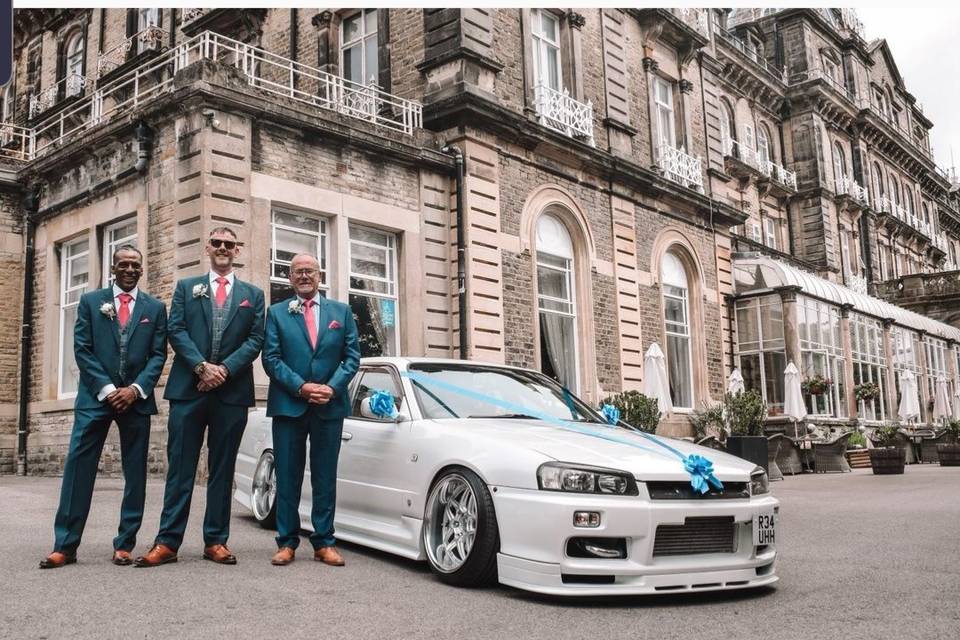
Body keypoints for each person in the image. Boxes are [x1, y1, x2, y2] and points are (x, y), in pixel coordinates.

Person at [136, 227, 264, 567]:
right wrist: (201, 367)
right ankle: (167, 542)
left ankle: (216, 541)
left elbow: (255, 339)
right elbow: (175, 329)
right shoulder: (186, 287)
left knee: (223, 469)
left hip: (232, 392)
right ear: (208, 247)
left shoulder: (253, 294)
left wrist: (224, 370)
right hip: (188, 391)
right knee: (180, 467)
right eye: (217, 243)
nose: (223, 248)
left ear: (238, 250)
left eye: (229, 244)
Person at [40, 246, 168, 568]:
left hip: (136, 401)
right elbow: (82, 350)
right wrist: (110, 390)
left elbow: (158, 355)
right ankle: (65, 546)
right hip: (95, 400)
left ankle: (125, 544)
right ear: (113, 267)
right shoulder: (90, 302)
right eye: (123, 263)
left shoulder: (155, 307)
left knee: (135, 474)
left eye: (134, 264)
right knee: (78, 470)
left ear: (141, 269)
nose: (129, 269)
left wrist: (136, 389)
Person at [261, 253, 360, 566]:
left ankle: (323, 541)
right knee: (287, 476)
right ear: (290, 279)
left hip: (329, 405)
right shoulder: (276, 313)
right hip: (289, 405)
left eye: (309, 271)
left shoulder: (341, 313)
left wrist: (331, 388)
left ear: (320, 276)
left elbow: (352, 357)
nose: (304, 276)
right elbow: (271, 358)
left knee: (325, 475)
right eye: (297, 272)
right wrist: (301, 387)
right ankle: (287, 542)